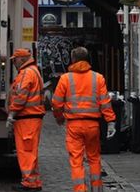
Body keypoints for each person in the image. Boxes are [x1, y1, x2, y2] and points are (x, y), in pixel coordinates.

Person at [49, 46, 115, 192]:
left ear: (73, 60)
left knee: (76, 160)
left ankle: (80, 189)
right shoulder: (98, 78)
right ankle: (96, 189)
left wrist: (59, 117)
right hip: (92, 125)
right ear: (87, 59)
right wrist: (111, 122)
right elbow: (105, 102)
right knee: (94, 158)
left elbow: (56, 103)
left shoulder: (66, 78)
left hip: (74, 126)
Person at [7, 47, 45, 190]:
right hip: (31, 118)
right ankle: (33, 182)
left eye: (15, 60)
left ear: (22, 59)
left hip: (27, 119)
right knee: (30, 152)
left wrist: (12, 113)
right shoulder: (33, 71)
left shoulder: (27, 73)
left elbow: (21, 95)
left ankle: (29, 184)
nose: (14, 63)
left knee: (26, 152)